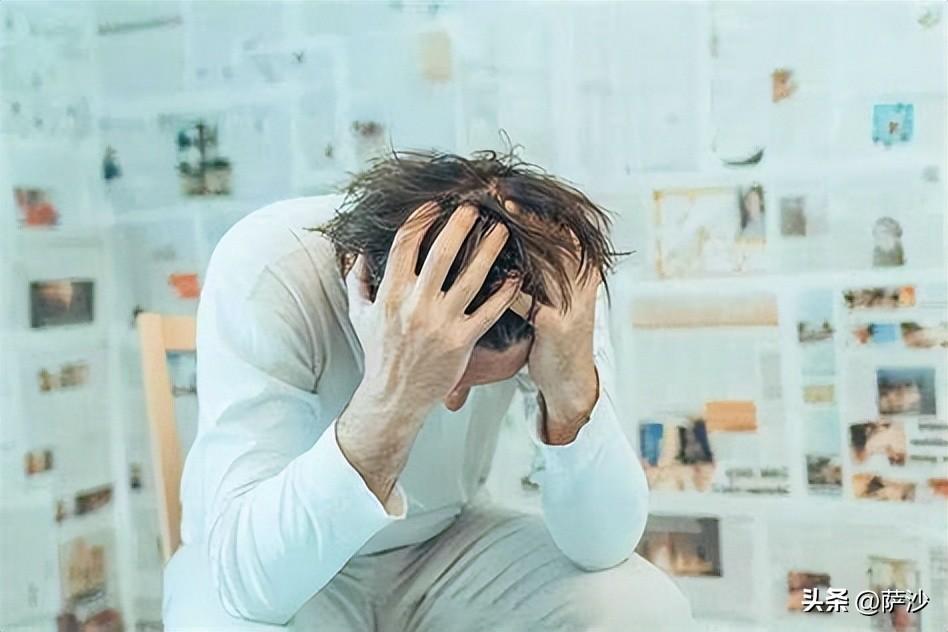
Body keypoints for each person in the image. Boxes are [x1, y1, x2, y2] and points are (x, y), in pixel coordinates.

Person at [163, 150, 694, 631]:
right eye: (444, 375)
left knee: (645, 611)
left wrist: (572, 391)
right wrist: (396, 392)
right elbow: (253, 586)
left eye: (480, 379)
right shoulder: (269, 264)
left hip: (444, 545)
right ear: (359, 276)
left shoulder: (552, 284)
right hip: (261, 553)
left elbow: (602, 544)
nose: (453, 402)